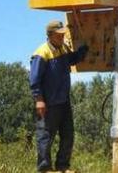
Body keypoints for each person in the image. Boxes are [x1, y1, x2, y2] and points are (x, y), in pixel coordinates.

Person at [29, 20, 88, 173]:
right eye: (59, 34)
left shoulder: (62, 49)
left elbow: (72, 59)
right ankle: (44, 168)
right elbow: (34, 80)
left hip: (63, 100)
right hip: (49, 102)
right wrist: (39, 100)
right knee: (45, 135)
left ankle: (62, 166)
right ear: (50, 35)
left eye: (63, 34)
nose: (62, 36)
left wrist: (83, 51)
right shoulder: (41, 53)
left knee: (68, 134)